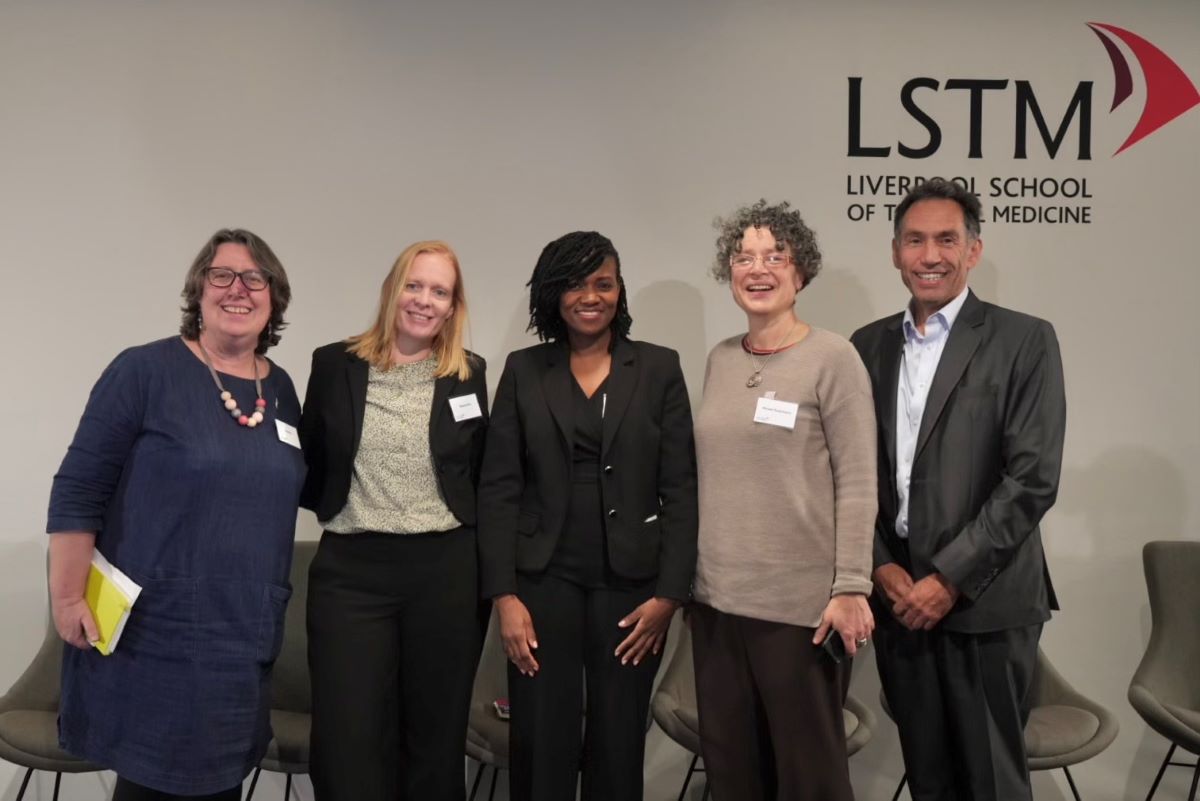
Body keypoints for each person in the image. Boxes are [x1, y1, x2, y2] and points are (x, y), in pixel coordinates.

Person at [46, 229, 304, 801]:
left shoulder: (281, 389)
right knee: (156, 783)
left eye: (255, 278)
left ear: (273, 297)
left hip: (242, 638)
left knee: (222, 784)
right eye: (223, 275)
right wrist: (67, 599)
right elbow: (78, 489)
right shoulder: (143, 371)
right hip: (155, 637)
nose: (238, 289)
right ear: (199, 290)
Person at [850, 179, 1066, 801]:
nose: (930, 255)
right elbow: (849, 475)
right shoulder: (865, 346)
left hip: (985, 603)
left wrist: (947, 580)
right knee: (930, 779)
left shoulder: (1025, 339)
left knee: (992, 782)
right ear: (894, 252)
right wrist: (882, 567)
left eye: (947, 239)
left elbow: (1031, 480)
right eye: (915, 240)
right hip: (899, 605)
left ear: (974, 250)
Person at [477, 230, 697, 801]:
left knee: (618, 739)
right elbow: (499, 488)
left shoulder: (657, 367)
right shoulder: (525, 371)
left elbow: (681, 487)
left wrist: (670, 595)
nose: (591, 296)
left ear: (620, 292)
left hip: (632, 588)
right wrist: (504, 597)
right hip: (541, 582)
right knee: (540, 738)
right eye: (576, 285)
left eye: (604, 283)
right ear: (554, 294)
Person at [691, 200, 876, 801]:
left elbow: (857, 480)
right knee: (733, 774)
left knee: (809, 780)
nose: (758, 268)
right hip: (717, 604)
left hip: (799, 611)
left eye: (775, 255)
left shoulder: (833, 357)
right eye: (743, 257)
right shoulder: (720, 359)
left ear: (801, 273)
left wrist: (851, 585)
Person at [298, 240, 488, 801]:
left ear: (453, 307)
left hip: (445, 572)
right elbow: (308, 456)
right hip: (352, 572)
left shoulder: (468, 374)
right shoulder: (334, 364)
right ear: (392, 289)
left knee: (433, 736)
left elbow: (479, 473)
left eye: (439, 291)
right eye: (415, 284)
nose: (424, 301)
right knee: (347, 735)